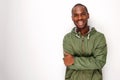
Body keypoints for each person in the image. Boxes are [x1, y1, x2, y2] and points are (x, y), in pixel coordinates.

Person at [63, 3, 107, 80]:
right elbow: (68, 63)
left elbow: (100, 62)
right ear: (72, 18)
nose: (79, 18)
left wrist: (74, 60)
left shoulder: (99, 37)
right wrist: (92, 61)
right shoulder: (67, 38)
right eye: (76, 15)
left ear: (88, 15)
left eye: (83, 14)